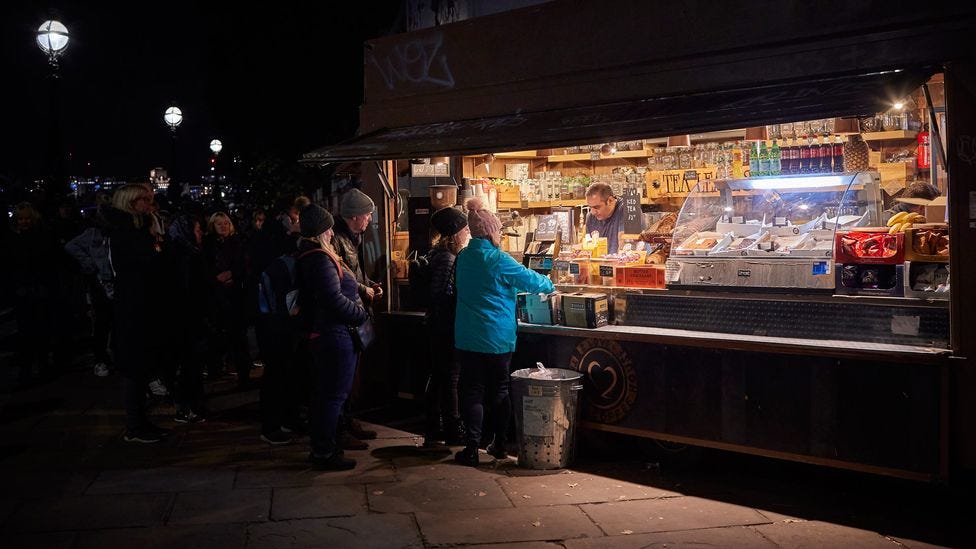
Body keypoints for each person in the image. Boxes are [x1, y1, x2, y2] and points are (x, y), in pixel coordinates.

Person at [453, 197, 555, 467]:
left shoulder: (463, 257)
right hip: (496, 337)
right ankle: (499, 444)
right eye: (498, 230)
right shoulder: (498, 259)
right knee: (499, 391)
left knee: (471, 391)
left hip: (467, 336)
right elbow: (533, 282)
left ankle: (471, 448)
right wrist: (551, 281)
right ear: (490, 231)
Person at [296, 203, 368, 470]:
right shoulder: (318, 258)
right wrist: (360, 313)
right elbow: (332, 299)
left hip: (330, 333)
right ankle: (325, 452)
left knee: (328, 394)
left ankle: (327, 447)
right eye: (328, 228)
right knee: (332, 395)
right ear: (322, 230)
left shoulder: (314, 255)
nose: (331, 233)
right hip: (334, 335)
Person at [104, 184, 170, 443]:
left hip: (144, 302)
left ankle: (141, 420)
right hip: (133, 304)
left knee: (143, 364)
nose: (148, 204)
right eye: (143, 200)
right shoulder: (126, 231)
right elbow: (143, 262)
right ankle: (134, 424)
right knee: (135, 364)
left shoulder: (139, 228)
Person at [331, 188, 383, 447]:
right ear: (354, 217)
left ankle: (347, 421)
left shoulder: (352, 237)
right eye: (367, 215)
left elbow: (354, 273)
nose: (369, 220)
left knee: (353, 376)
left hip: (357, 312)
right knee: (344, 379)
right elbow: (342, 279)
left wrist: (369, 284)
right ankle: (340, 431)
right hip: (348, 317)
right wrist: (365, 290)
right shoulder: (339, 239)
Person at [421, 206, 471, 449]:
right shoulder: (447, 257)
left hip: (437, 325)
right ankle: (451, 428)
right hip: (444, 326)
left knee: (440, 376)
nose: (468, 232)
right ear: (455, 233)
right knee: (448, 378)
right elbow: (440, 293)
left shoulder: (439, 254)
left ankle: (434, 425)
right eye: (465, 228)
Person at [64, 205, 115, 377]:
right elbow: (71, 246)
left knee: (114, 322)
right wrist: (89, 264)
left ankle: (111, 356)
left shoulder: (116, 233)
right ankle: (100, 359)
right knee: (102, 322)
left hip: (115, 281)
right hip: (100, 283)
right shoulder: (92, 234)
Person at [203, 211, 251, 387]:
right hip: (216, 295)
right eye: (219, 224)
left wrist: (233, 274)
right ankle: (215, 369)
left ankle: (243, 373)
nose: (223, 226)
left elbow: (246, 265)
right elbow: (204, 266)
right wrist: (215, 278)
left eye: (226, 223)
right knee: (216, 334)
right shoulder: (208, 245)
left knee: (238, 335)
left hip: (236, 295)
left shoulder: (239, 242)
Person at [583, 182, 627, 254]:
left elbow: (624, 243)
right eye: (590, 207)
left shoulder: (626, 209)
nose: (593, 212)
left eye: (597, 207)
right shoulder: (590, 217)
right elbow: (589, 248)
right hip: (603, 263)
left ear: (610, 201)